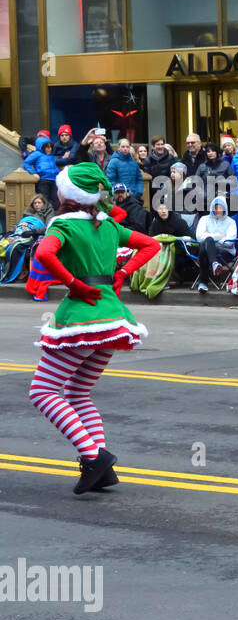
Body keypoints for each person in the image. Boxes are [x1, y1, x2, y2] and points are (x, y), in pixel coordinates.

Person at [27, 163, 160, 494]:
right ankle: (99, 468)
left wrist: (72, 282)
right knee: (78, 392)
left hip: (82, 316)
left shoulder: (64, 224)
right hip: (113, 316)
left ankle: (92, 458)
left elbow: (43, 253)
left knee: (42, 391)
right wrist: (123, 272)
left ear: (69, 194)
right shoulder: (109, 225)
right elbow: (152, 245)